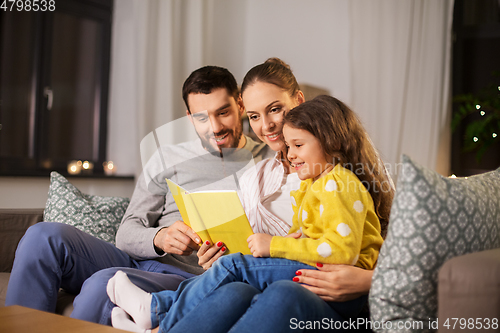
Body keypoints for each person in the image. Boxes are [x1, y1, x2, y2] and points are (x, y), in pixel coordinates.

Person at [5, 65, 274, 325]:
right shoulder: (166, 157)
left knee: (105, 286)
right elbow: (127, 232)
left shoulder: (269, 160)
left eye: (223, 112)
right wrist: (159, 238)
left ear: (240, 105)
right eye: (201, 118)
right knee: (43, 237)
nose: (214, 127)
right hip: (142, 259)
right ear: (189, 117)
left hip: (189, 276)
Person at [106, 94, 390, 333]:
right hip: (316, 274)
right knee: (234, 286)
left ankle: (157, 308)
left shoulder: (338, 183)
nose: (289, 154)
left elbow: (341, 253)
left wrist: (275, 245)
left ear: (331, 143)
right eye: (289, 146)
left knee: (234, 266)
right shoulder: (314, 184)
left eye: (298, 145)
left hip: (339, 288)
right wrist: (293, 239)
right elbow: (317, 237)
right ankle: (160, 321)